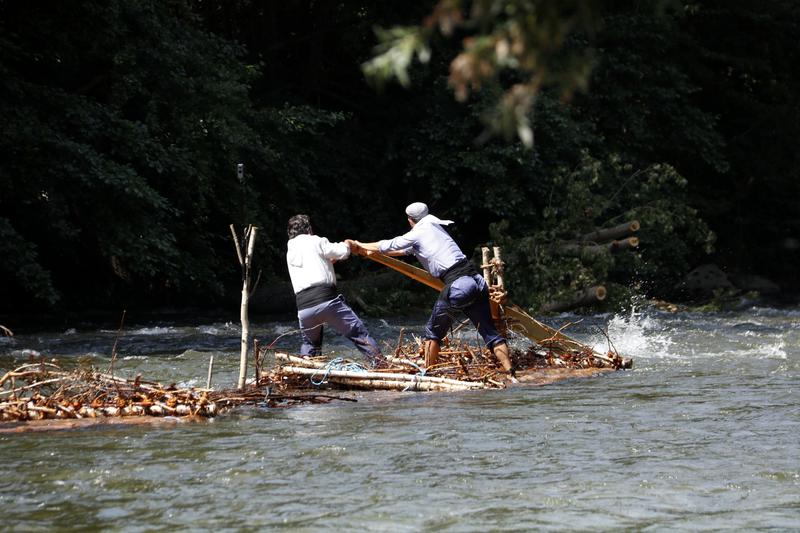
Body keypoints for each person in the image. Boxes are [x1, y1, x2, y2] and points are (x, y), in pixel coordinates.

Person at [354, 202, 514, 376]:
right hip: (477, 281)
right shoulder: (434, 226)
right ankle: (511, 372)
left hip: (459, 285)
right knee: (490, 334)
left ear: (410, 220)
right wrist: (371, 253)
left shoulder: (418, 232)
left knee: (433, 333)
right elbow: (406, 250)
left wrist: (359, 244)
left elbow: (389, 245)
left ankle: (427, 374)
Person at [285, 214, 385, 368]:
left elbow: (314, 264)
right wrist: (348, 243)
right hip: (327, 301)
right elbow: (342, 251)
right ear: (309, 229)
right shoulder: (316, 241)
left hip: (304, 308)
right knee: (358, 333)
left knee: (310, 344)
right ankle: (382, 366)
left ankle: (304, 374)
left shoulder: (290, 250)